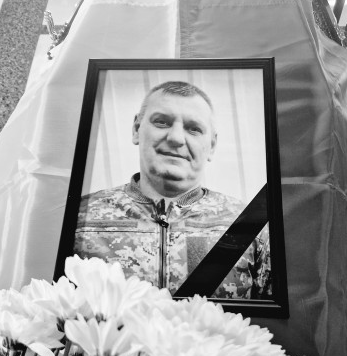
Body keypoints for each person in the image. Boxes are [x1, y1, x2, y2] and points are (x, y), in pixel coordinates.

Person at [74, 81, 271, 299]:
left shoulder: (251, 226)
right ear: (137, 129)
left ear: (212, 145)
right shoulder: (79, 217)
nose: (176, 138)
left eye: (194, 128)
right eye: (161, 122)